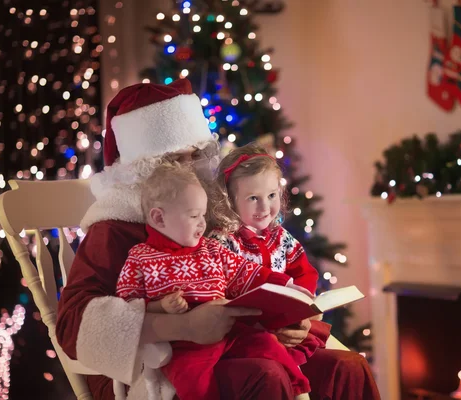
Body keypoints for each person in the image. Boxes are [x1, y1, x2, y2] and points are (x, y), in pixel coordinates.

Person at [56, 78, 381, 400]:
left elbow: (241, 275)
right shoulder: (114, 229)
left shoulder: (206, 213)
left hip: (233, 346)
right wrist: (182, 327)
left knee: (346, 368)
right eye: (176, 160)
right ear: (143, 172)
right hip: (153, 370)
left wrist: (292, 313)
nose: (192, 169)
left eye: (196, 155)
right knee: (264, 376)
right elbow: (73, 326)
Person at [116, 162, 311, 400]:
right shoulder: (141, 257)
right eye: (194, 216)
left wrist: (288, 287)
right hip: (184, 345)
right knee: (194, 383)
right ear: (159, 218)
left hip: (229, 331)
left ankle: (300, 390)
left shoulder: (211, 249)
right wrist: (160, 306)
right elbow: (127, 305)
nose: (202, 223)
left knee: (267, 344)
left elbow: (247, 272)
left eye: (203, 215)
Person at [208, 143, 329, 367]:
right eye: (253, 198)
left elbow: (305, 273)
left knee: (347, 364)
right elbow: (219, 293)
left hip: (287, 327)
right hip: (246, 335)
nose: (265, 207)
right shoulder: (222, 242)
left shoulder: (281, 237)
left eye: (272, 195)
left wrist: (301, 308)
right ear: (230, 201)